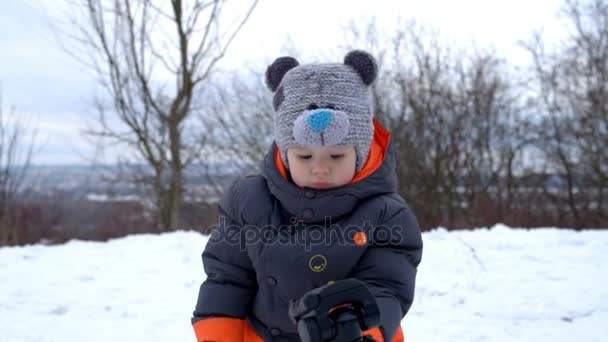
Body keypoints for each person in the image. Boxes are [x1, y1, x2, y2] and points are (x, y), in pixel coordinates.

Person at [191, 50, 423, 342]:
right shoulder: (249, 201)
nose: (320, 168)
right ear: (286, 154)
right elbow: (227, 278)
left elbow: (387, 285)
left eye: (337, 155)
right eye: (305, 156)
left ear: (361, 153)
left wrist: (363, 328)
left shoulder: (386, 214)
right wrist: (218, 333)